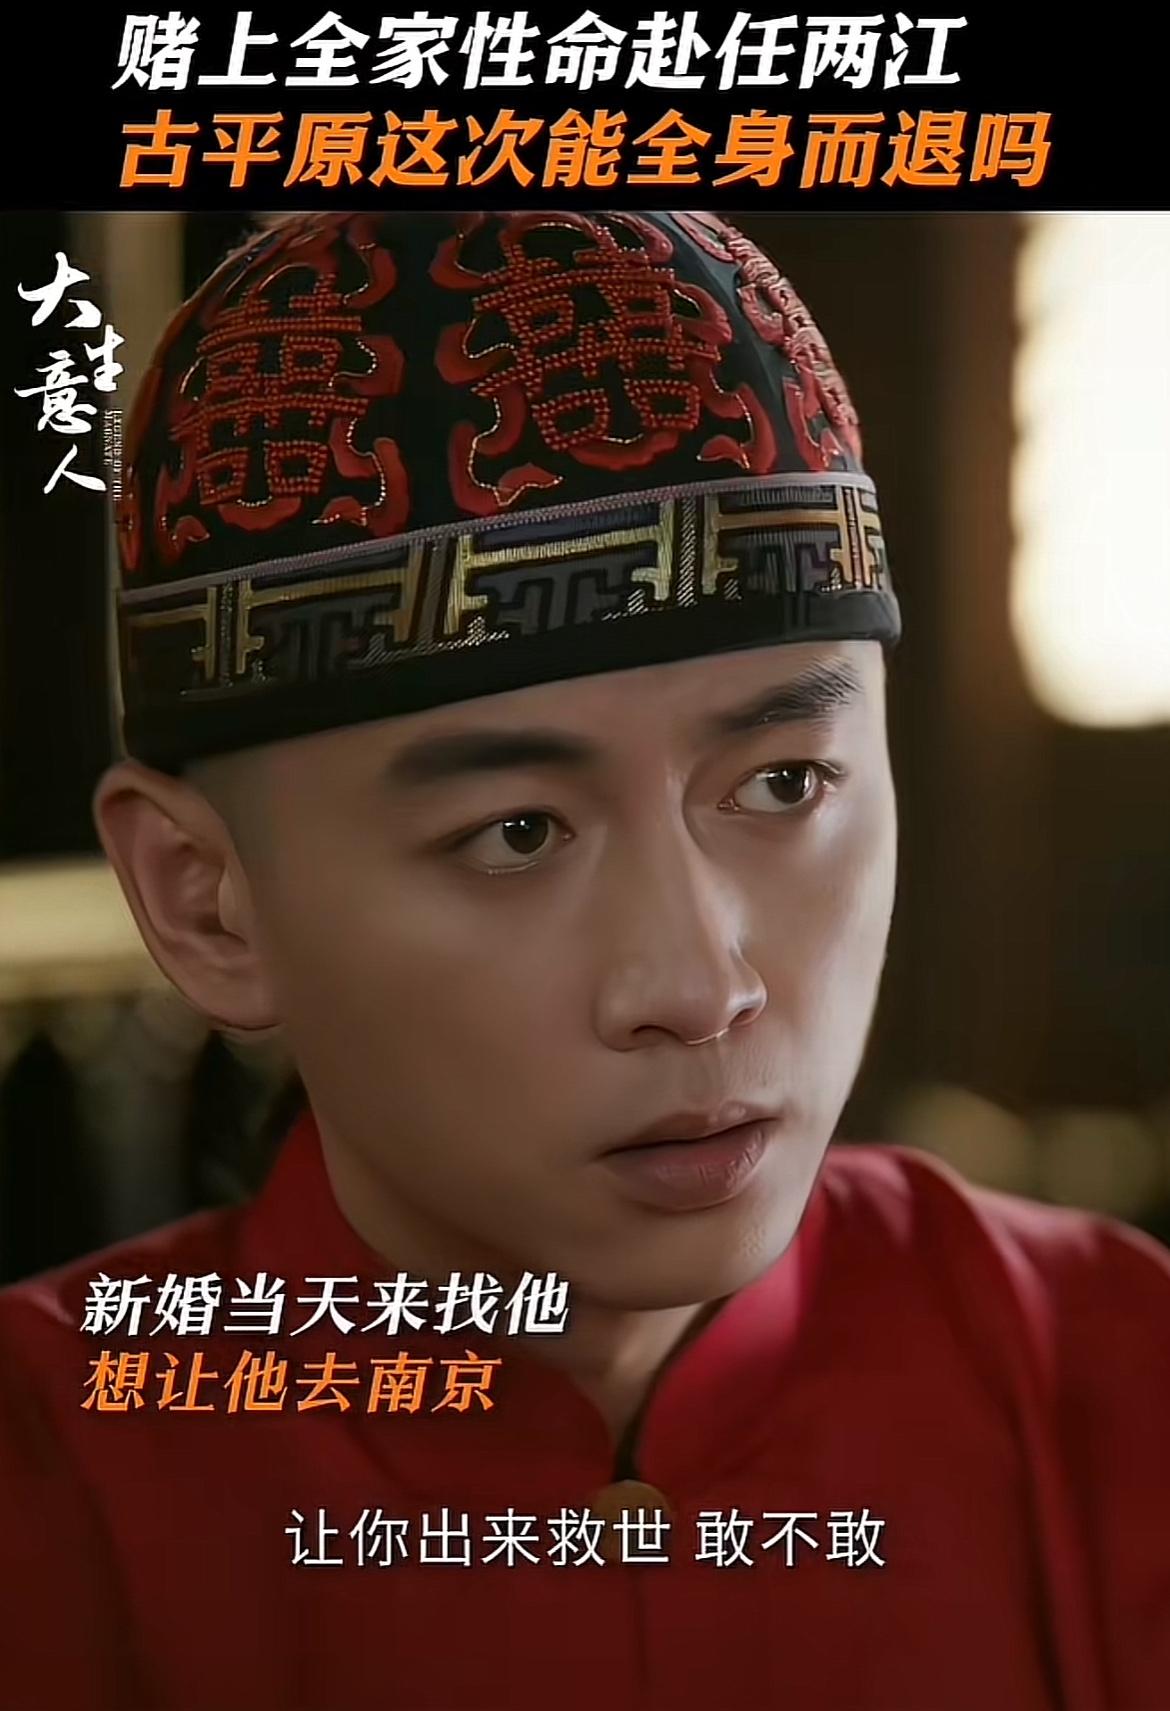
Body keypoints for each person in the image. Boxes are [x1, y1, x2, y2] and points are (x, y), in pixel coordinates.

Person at [0, 209, 1166, 1711]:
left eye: (784, 783)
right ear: (207, 904)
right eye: (517, 833)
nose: (700, 986)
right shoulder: (46, 1481)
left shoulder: (1113, 1379)